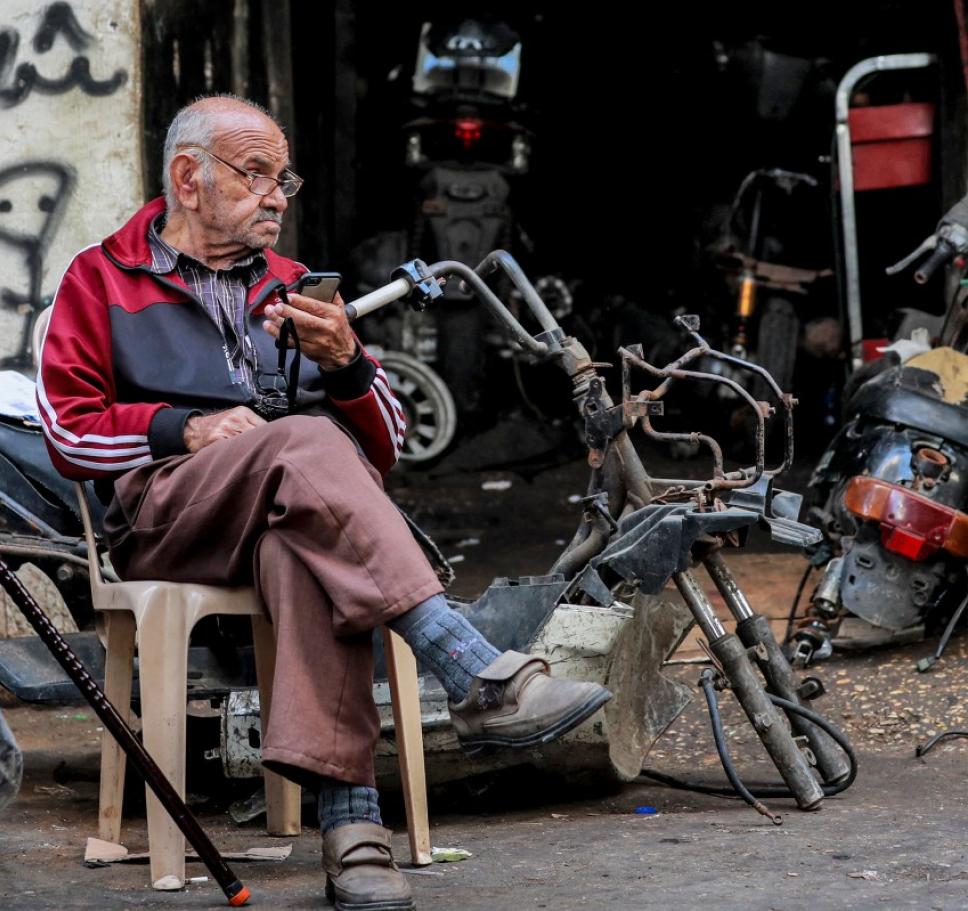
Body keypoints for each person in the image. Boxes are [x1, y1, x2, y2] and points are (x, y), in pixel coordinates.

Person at [38, 94, 610, 911]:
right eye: (256, 174)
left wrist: (346, 363)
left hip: (286, 512)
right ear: (188, 178)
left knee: (305, 542)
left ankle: (353, 832)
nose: (277, 196)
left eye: (284, 179)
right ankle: (470, 665)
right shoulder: (101, 278)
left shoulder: (294, 286)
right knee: (306, 442)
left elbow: (390, 441)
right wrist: (184, 428)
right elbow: (67, 431)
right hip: (166, 516)